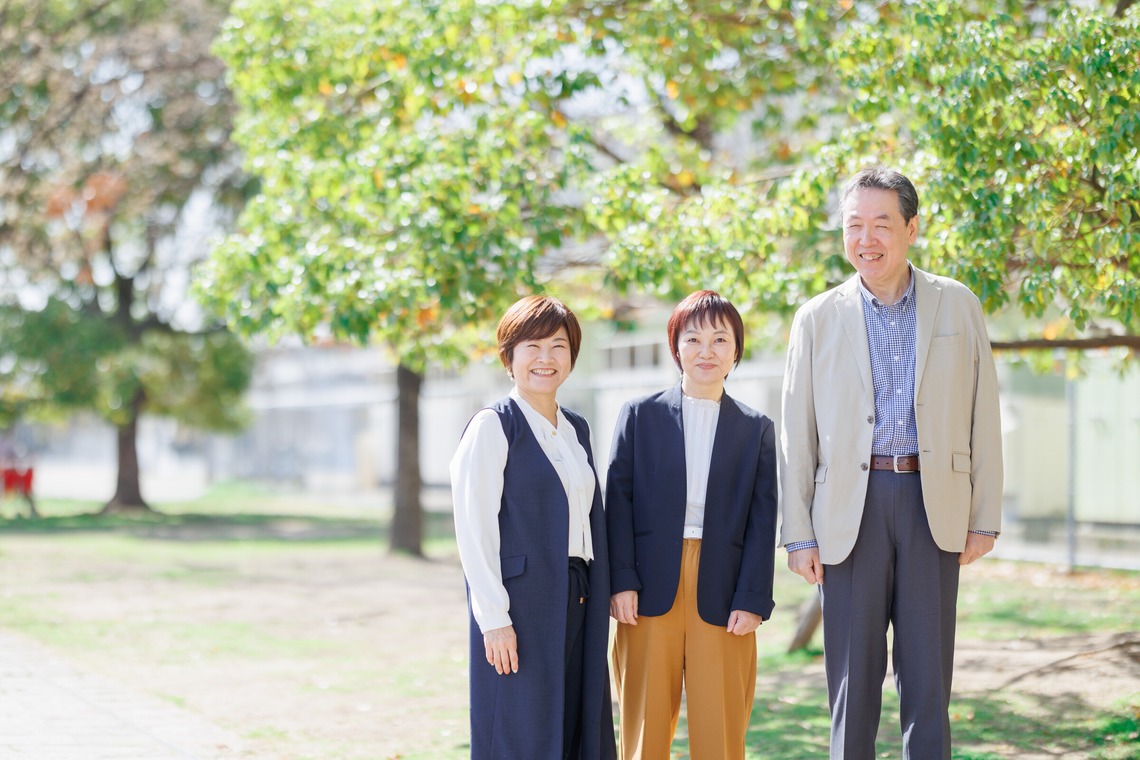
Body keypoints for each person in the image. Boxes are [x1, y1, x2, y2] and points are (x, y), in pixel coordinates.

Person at [779, 166, 1003, 759]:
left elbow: (984, 414)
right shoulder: (816, 317)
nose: (867, 238)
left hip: (933, 503)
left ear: (912, 227)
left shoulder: (958, 305)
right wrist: (798, 533)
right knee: (853, 682)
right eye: (855, 225)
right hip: (848, 513)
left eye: (882, 223)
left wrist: (984, 516)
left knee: (928, 679)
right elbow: (797, 433)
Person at [606, 290, 778, 760]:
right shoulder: (639, 415)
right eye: (694, 338)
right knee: (643, 730)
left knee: (720, 731)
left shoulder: (755, 427)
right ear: (675, 347)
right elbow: (617, 503)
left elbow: (763, 520)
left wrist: (753, 598)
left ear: (736, 351)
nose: (707, 351)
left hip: (724, 589)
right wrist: (620, 581)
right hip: (646, 586)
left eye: (720, 339)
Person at [450, 295, 616, 760]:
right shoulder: (493, 426)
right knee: (522, 731)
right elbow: (474, 529)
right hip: (522, 604)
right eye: (533, 346)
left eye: (558, 347)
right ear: (509, 357)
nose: (546, 359)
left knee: (574, 725)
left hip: (579, 592)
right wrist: (494, 620)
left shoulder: (576, 428)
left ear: (572, 357)